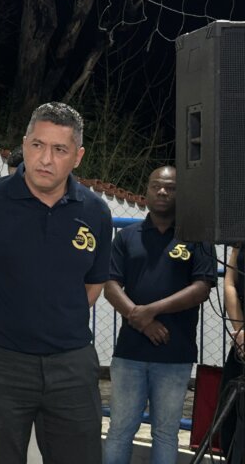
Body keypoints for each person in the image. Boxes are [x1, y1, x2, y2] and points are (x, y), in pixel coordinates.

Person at [0, 102, 113, 464]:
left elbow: (93, 285)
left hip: (72, 366)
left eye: (59, 149)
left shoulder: (96, 212)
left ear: (78, 156)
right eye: (37, 145)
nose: (45, 159)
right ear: (24, 144)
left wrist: (53, 321)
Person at [103, 166, 217, 464]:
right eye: (156, 186)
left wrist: (151, 311)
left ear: (182, 193)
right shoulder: (126, 237)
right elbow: (110, 285)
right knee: (119, 430)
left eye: (171, 187)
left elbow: (201, 288)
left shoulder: (197, 238)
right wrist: (141, 321)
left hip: (175, 354)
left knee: (165, 434)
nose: (163, 191)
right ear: (147, 191)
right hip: (129, 353)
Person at [219, 246, 244, 463]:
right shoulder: (240, 236)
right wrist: (240, 330)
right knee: (229, 422)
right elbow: (230, 282)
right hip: (242, 344)